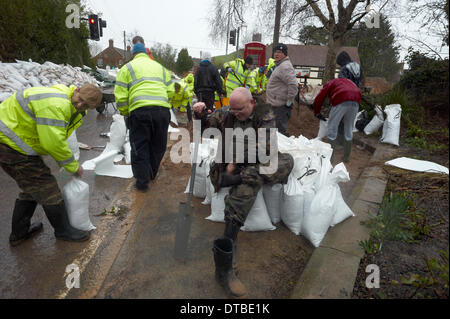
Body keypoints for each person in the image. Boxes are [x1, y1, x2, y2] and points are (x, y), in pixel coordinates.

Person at [193, 87, 294, 298]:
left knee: (285, 161)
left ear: (251, 104)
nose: (236, 114)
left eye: (240, 110)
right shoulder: (229, 113)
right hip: (226, 165)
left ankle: (238, 179)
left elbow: (266, 149)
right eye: (233, 110)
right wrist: (199, 115)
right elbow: (204, 129)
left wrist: (237, 162)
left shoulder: (264, 114)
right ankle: (225, 264)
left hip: (247, 164)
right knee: (248, 187)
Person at [0, 83, 103, 245]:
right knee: (47, 187)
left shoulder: (69, 104)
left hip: (13, 143)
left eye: (86, 106)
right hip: (8, 144)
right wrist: (73, 166)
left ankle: (19, 233)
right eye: (80, 99)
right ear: (76, 90)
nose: (80, 105)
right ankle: (63, 231)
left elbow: (58, 136)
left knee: (31, 186)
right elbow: (53, 142)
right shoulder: (57, 104)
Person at [114, 43, 174, 191]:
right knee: (158, 144)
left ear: (133, 54)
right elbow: (171, 90)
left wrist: (126, 113)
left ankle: (142, 182)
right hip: (162, 111)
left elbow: (121, 97)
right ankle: (152, 173)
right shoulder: (160, 67)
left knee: (140, 146)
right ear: (146, 53)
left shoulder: (127, 68)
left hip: (140, 111)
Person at [313, 77, 362, 162]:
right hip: (356, 100)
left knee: (332, 128)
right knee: (349, 128)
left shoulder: (330, 83)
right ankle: (346, 157)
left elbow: (320, 98)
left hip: (341, 98)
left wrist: (317, 112)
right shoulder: (348, 81)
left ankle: (330, 158)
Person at [265, 43, 298, 136]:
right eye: (275, 52)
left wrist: (290, 100)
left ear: (285, 54)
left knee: (279, 133)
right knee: (274, 132)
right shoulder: (280, 65)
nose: (276, 54)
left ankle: (278, 150)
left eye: (279, 52)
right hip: (276, 105)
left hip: (280, 107)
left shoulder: (285, 66)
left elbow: (293, 84)